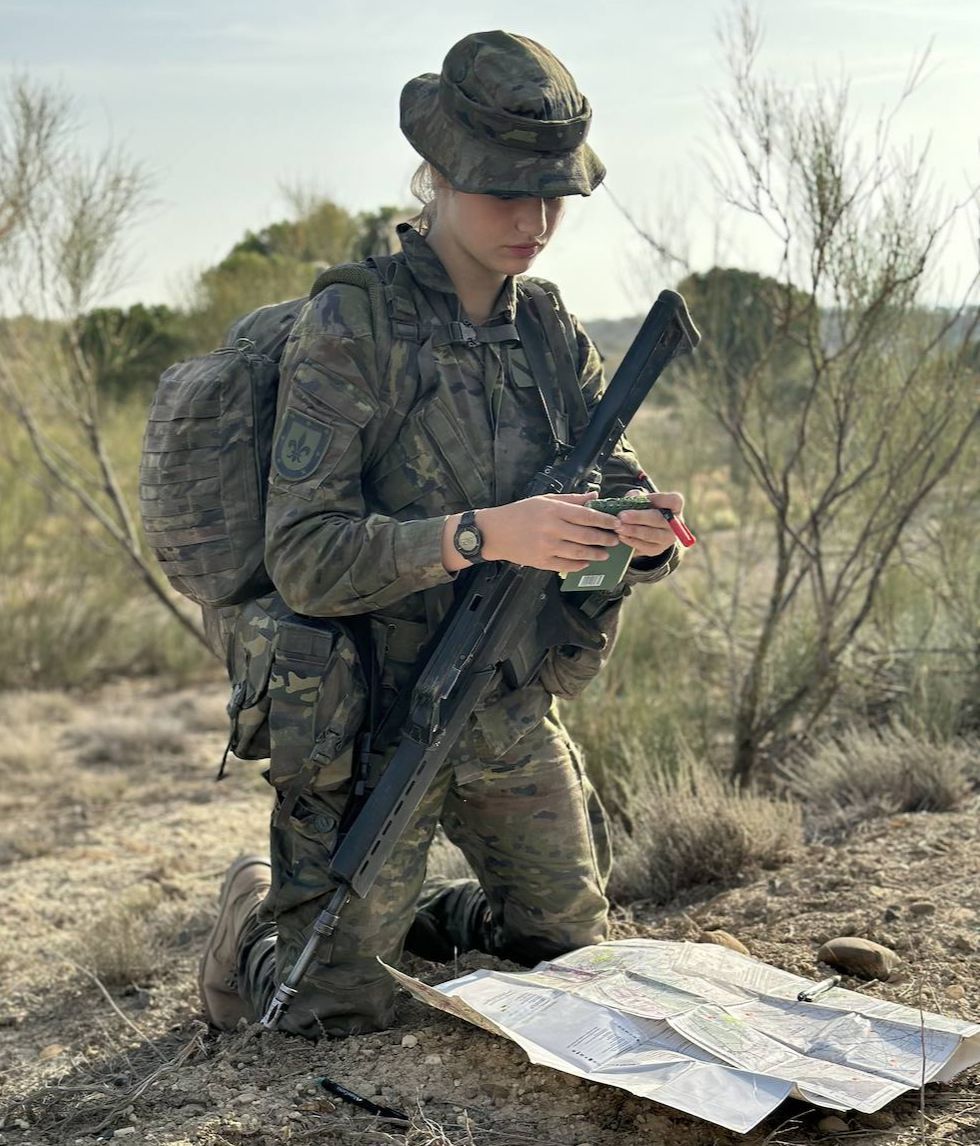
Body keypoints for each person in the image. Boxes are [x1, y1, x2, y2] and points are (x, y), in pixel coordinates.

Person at [198, 29, 687, 1040]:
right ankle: (253, 928)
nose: (534, 219)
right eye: (506, 190)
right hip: (370, 715)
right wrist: (484, 533)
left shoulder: (546, 327)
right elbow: (307, 555)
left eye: (551, 193)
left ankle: (430, 915)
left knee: (568, 963)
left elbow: (617, 488)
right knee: (329, 1013)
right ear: (436, 179)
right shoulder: (352, 325)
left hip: (502, 702)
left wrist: (638, 540)